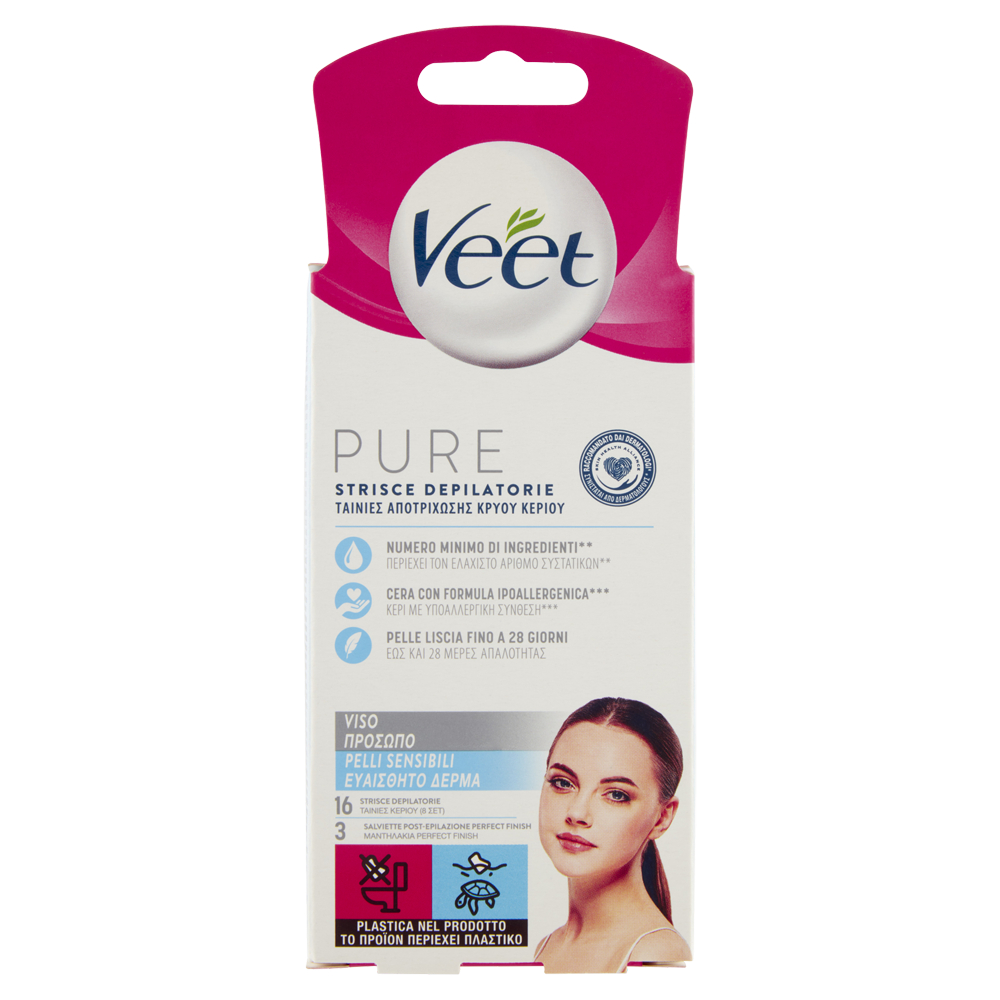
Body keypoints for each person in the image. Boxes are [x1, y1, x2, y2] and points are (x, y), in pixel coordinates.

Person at [534, 697, 691, 973]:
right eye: (562, 782)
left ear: (662, 817)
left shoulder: (657, 953)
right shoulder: (546, 946)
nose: (577, 813)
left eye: (616, 795)